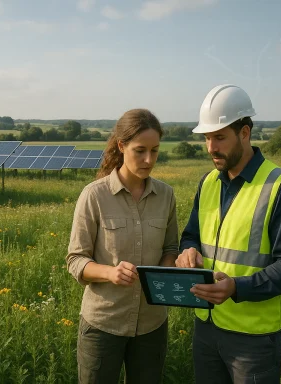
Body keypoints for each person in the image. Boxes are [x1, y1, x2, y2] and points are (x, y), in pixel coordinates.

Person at [176, 84, 281, 383]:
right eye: (207, 138)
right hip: (206, 327)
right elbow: (191, 236)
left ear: (245, 133)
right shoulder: (208, 182)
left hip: (254, 339)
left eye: (219, 137)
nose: (211, 147)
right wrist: (188, 251)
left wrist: (236, 287)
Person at [66, 108, 179, 384]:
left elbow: (170, 248)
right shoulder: (94, 195)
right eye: (140, 150)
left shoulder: (166, 195)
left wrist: (166, 273)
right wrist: (110, 273)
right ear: (121, 145)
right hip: (104, 324)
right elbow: (75, 259)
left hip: (152, 324)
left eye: (155, 150)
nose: (149, 159)